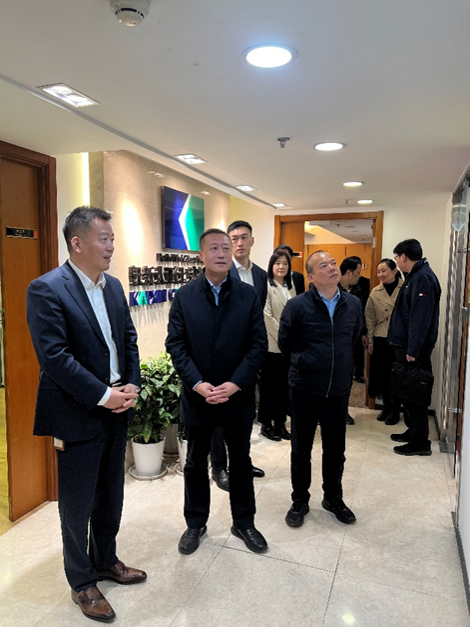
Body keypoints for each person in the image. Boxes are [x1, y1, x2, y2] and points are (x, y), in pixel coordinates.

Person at [26, 207, 145, 624]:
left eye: (112, 239)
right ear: (77, 243)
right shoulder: (46, 289)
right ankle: (81, 582)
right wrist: (103, 395)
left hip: (116, 408)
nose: (111, 246)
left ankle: (106, 560)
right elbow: (55, 358)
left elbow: (128, 339)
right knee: (77, 505)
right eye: (104, 239)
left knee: (111, 495)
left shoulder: (113, 286)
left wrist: (131, 386)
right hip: (78, 412)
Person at [166, 228, 269, 555]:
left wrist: (235, 383)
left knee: (240, 461)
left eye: (226, 247)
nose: (222, 253)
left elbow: (258, 345)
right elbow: (176, 345)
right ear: (201, 255)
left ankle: (244, 522)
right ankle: (195, 523)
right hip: (198, 397)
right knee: (195, 463)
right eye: (214, 248)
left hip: (237, 396)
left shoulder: (247, 296)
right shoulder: (184, 296)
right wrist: (197, 383)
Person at [279, 251, 362, 528]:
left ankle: (333, 498)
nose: (332, 268)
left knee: (336, 449)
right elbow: (285, 343)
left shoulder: (353, 304)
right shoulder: (297, 306)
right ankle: (299, 500)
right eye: (323, 265)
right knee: (301, 448)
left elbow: (353, 338)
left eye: (333, 263)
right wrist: (306, 362)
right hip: (304, 387)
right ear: (311, 277)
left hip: (338, 389)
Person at [209, 220, 266, 491]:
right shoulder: (218, 273)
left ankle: (241, 462)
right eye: (234, 239)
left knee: (244, 415)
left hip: (248, 359)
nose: (239, 243)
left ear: (252, 241)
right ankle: (219, 467)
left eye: (244, 237)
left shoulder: (261, 276)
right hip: (220, 358)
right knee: (219, 416)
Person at [387, 239, 441, 456]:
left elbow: (420, 319)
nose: (397, 261)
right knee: (408, 392)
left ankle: (420, 442)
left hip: (412, 350)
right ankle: (414, 432)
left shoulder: (423, 278)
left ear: (403, 256)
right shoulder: (415, 275)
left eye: (396, 257)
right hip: (406, 346)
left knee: (415, 394)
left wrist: (413, 350)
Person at [258, 249, 296, 442]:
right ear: (271, 266)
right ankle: (266, 424)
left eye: (285, 263)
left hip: (288, 347)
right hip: (272, 345)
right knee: (269, 388)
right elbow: (266, 316)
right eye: (277, 263)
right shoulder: (267, 286)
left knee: (283, 388)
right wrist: (284, 337)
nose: (281, 267)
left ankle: (280, 423)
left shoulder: (290, 287)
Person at [365, 259, 404, 425]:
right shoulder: (375, 292)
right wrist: (370, 339)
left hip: (400, 338)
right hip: (381, 337)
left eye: (384, 270)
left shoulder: (406, 287)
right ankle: (387, 408)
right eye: (378, 271)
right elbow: (369, 318)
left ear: (394, 271)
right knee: (383, 376)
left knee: (398, 376)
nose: (380, 274)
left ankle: (396, 410)